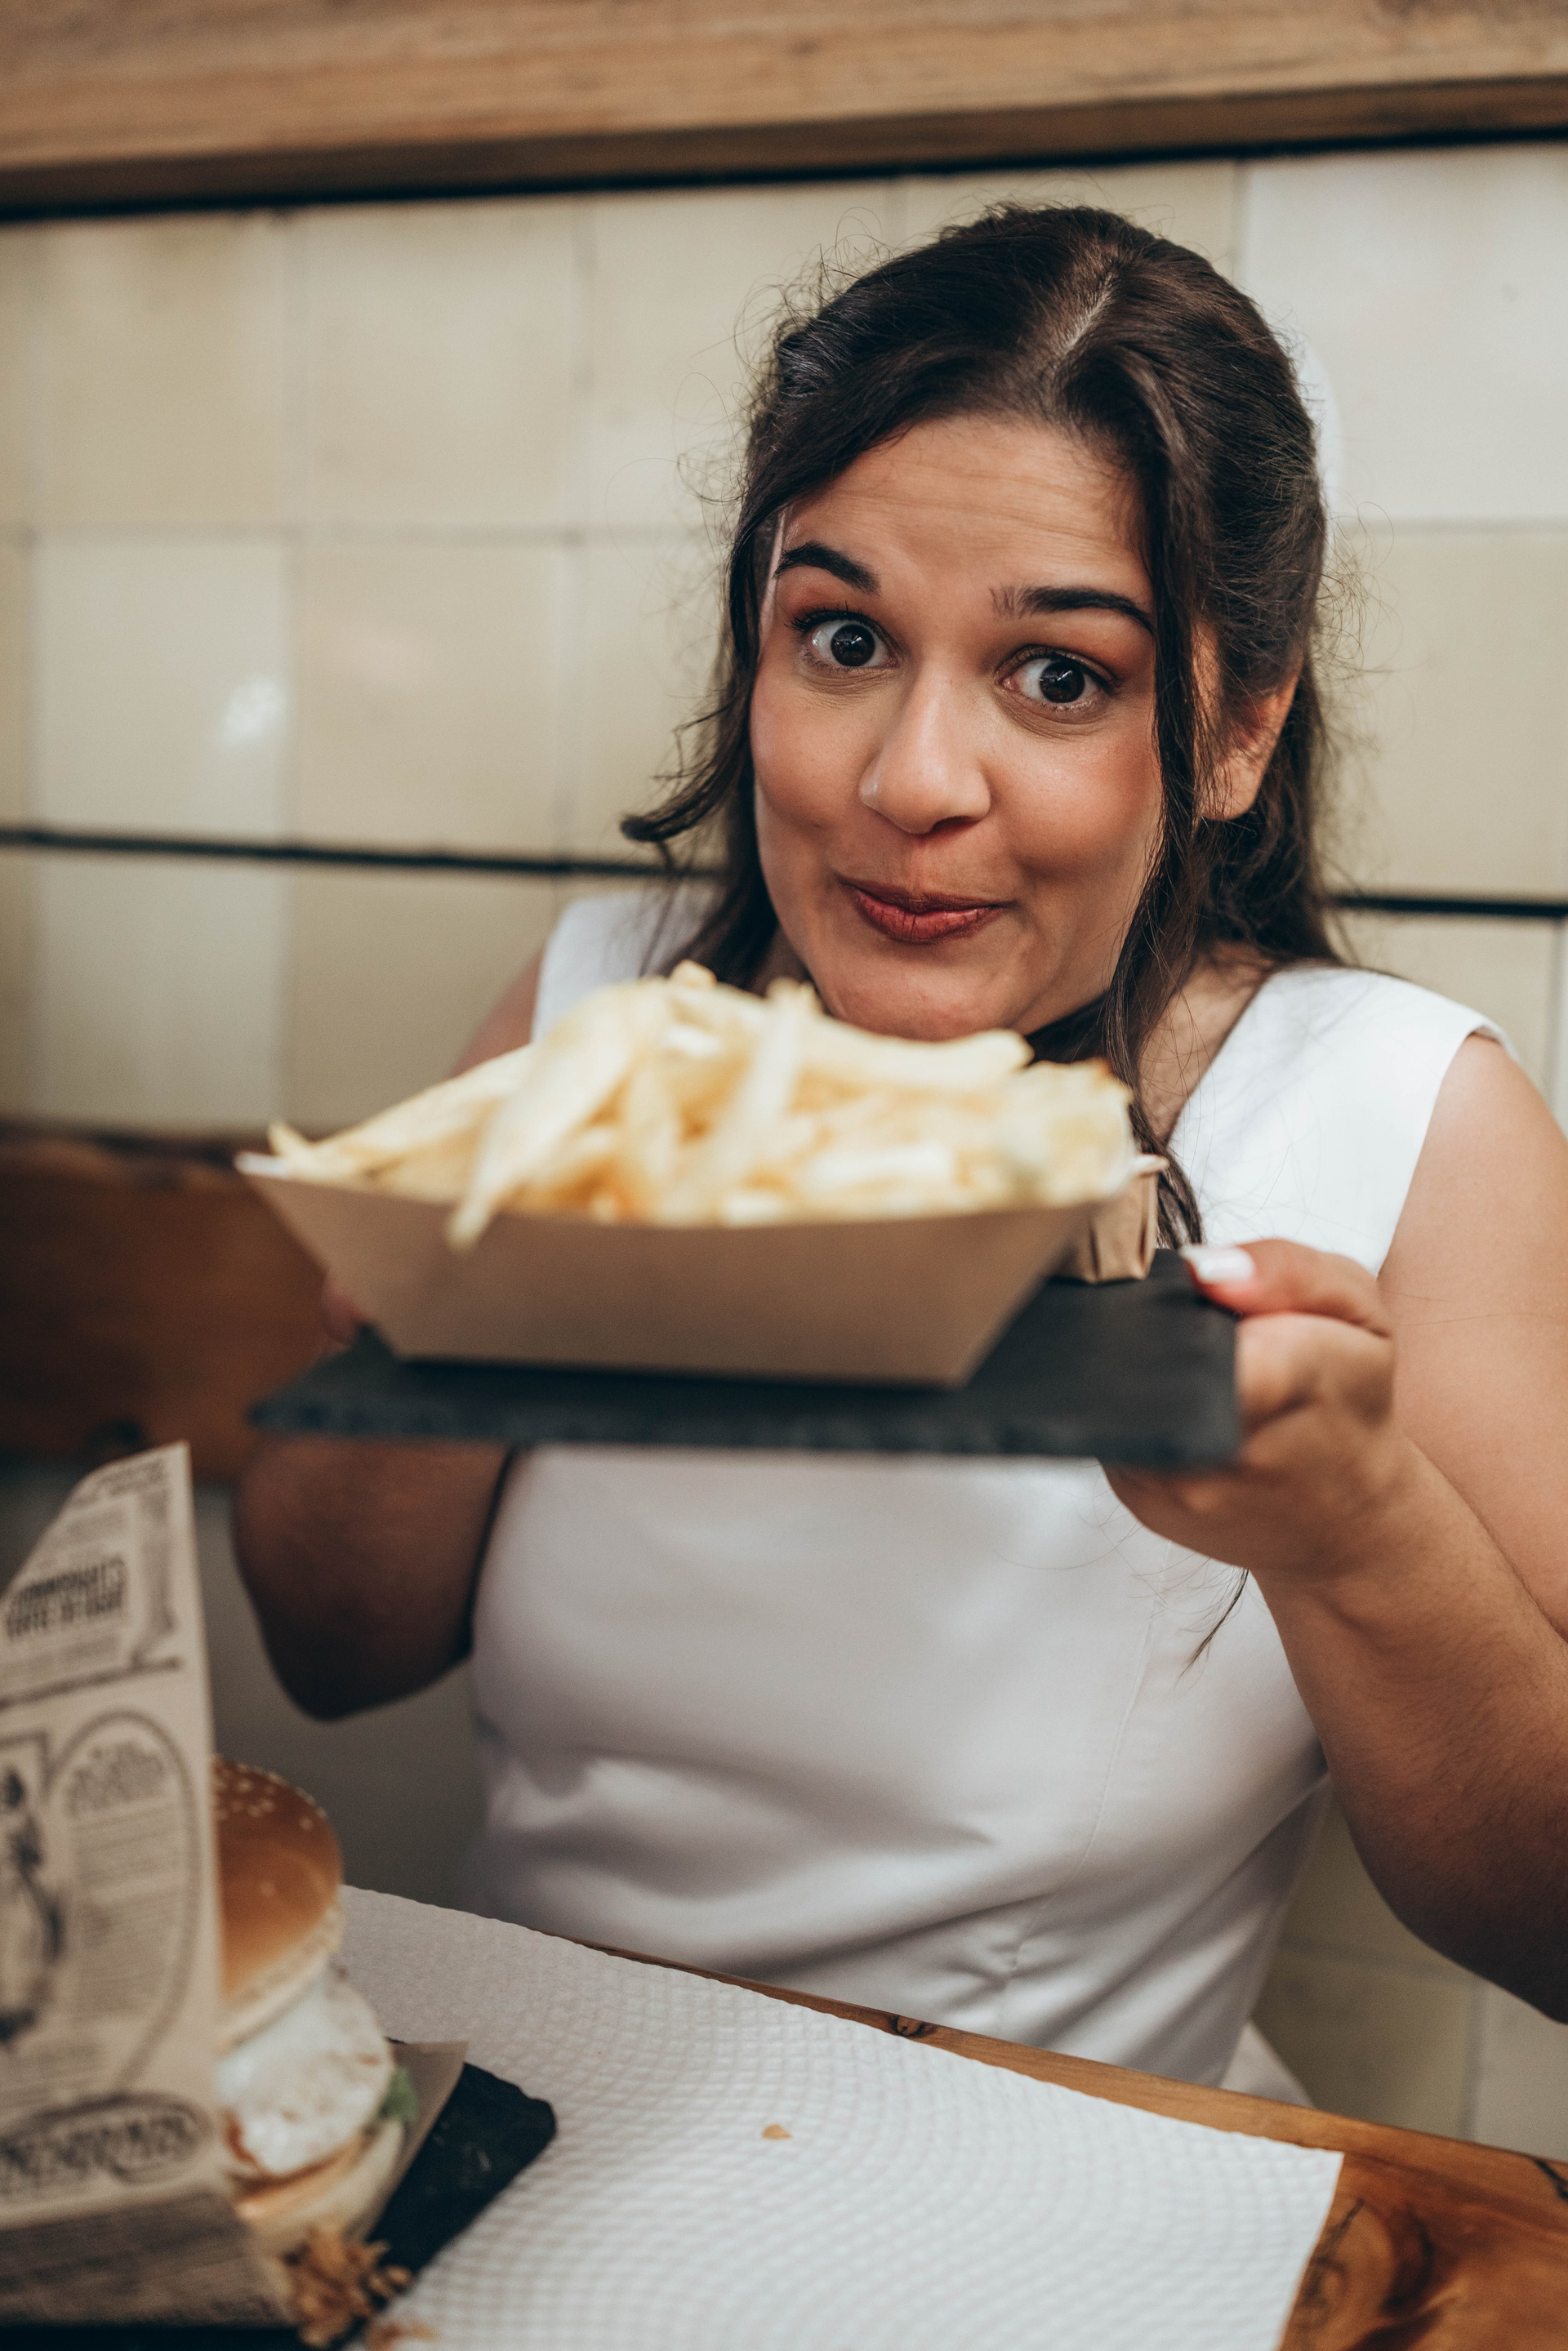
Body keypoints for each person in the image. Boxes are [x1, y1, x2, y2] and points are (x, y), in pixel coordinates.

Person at [234, 206, 1568, 2084]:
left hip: (1046, 2170)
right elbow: (330, 1653)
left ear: (1238, 730)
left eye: (1059, 676)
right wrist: (424, 1333)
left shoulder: (1396, 1114)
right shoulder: (605, 1021)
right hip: (518, 2132)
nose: (912, 782)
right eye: (844, 639)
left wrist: (1361, 1533)